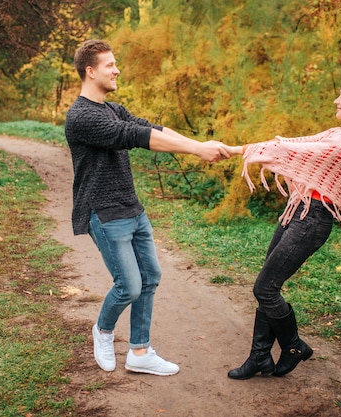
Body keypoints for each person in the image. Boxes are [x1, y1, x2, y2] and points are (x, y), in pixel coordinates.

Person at [224, 73, 341, 380]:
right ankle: (259, 357)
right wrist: (249, 148)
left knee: (265, 288)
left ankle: (294, 345)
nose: (337, 100)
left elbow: (287, 153)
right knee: (267, 286)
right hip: (295, 212)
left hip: (312, 221)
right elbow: (287, 144)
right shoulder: (336, 134)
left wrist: (235, 150)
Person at [64, 39, 230, 376]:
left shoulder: (112, 108)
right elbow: (135, 137)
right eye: (110, 65)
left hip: (132, 208)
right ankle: (103, 331)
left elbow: (150, 128)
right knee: (129, 285)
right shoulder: (81, 116)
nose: (117, 69)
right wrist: (197, 150)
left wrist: (198, 145)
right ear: (90, 70)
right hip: (104, 212)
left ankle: (139, 352)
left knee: (150, 276)